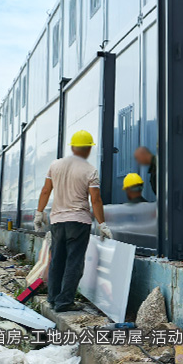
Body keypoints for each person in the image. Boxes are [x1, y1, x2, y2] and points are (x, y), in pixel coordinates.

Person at [34, 130, 112, 313]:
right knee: (74, 262)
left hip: (57, 221)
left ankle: (53, 298)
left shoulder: (55, 165)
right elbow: (96, 199)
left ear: (73, 147)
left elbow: (45, 190)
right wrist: (102, 224)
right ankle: (64, 302)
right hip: (78, 222)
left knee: (57, 260)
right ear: (88, 149)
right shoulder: (90, 170)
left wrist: (39, 213)